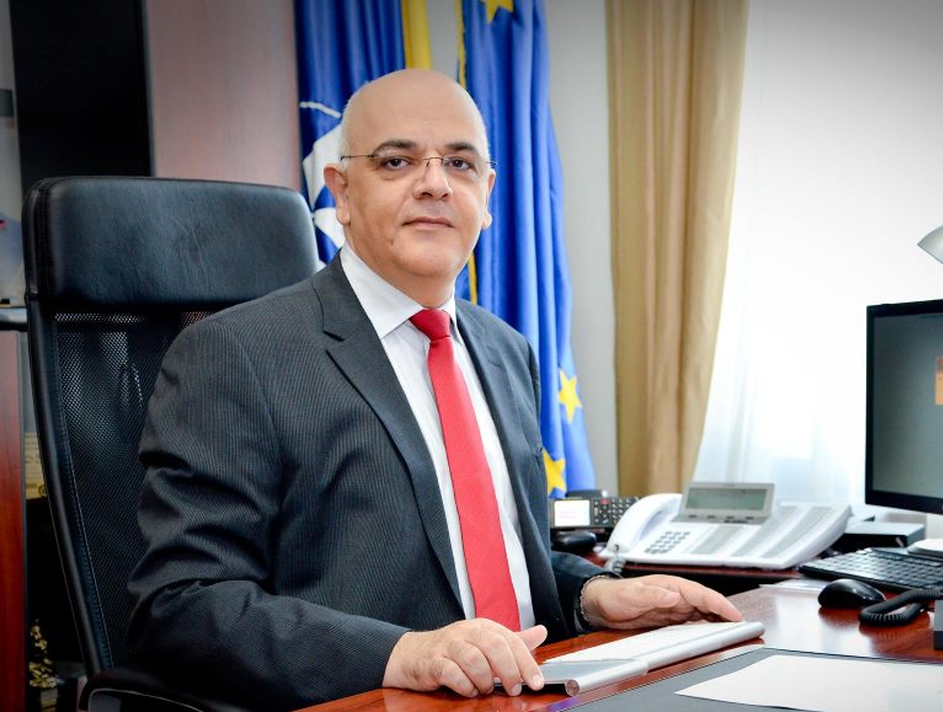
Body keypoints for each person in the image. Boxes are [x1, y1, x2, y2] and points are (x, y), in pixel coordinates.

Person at [126, 68, 741, 712]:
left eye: (460, 163)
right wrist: (401, 654)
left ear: (487, 193)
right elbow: (181, 606)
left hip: (532, 693)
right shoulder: (236, 354)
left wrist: (592, 597)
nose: (434, 184)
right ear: (342, 191)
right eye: (396, 161)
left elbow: (487, 565)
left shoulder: (506, 350)